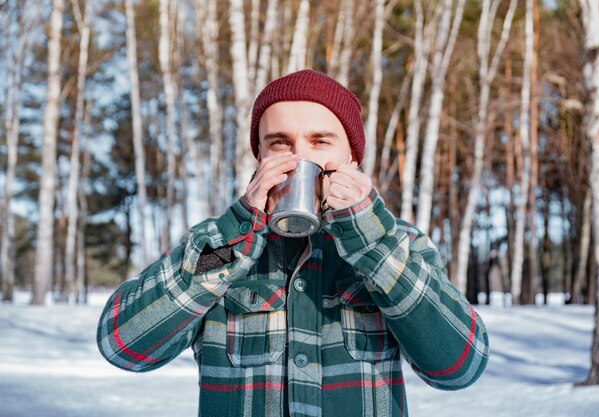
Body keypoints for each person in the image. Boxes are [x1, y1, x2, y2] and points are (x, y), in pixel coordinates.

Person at [97, 69, 489, 417]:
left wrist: (369, 238)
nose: (300, 157)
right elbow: (123, 345)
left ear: (351, 158)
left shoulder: (397, 244)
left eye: (320, 142)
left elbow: (459, 367)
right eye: (281, 143)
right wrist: (238, 232)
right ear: (260, 158)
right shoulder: (217, 247)